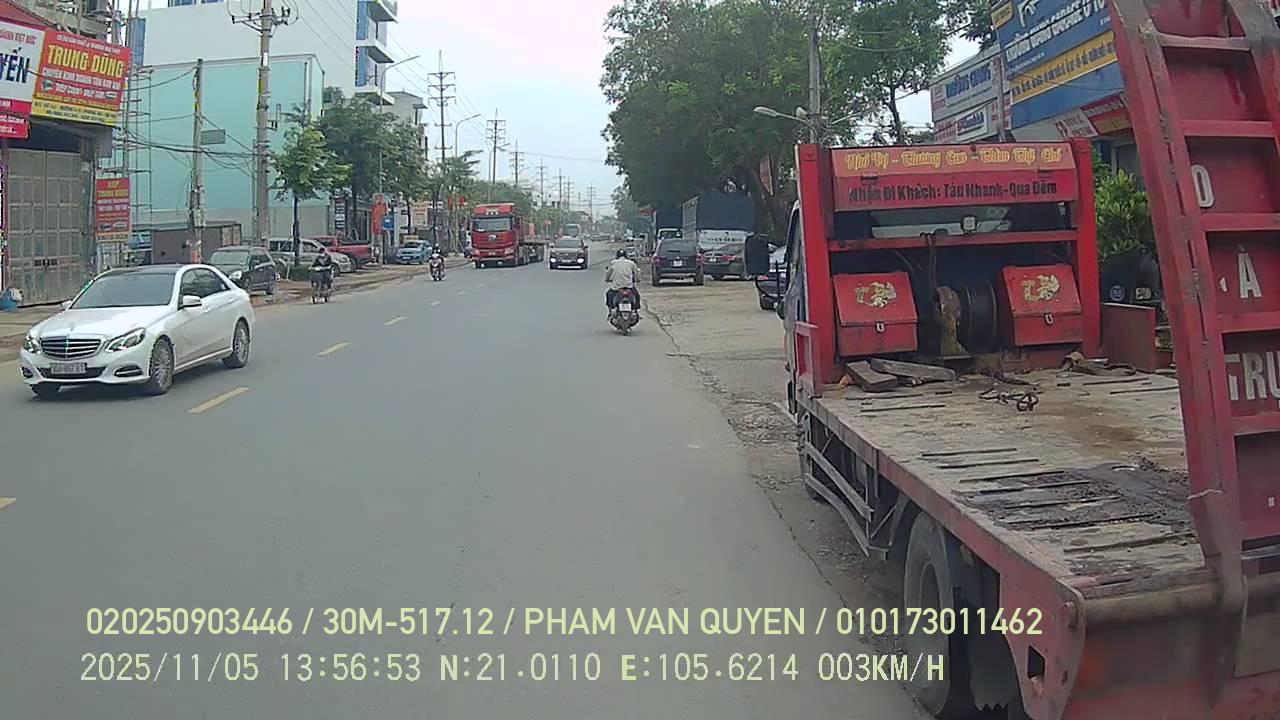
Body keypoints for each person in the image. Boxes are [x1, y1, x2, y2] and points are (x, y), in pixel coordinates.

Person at [604, 248, 641, 316]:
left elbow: (608, 273)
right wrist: (638, 280)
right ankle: (635, 311)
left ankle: (611, 311)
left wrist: (607, 279)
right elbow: (637, 273)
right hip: (629, 287)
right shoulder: (631, 263)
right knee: (637, 295)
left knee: (609, 294)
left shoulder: (613, 263)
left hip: (616, 288)